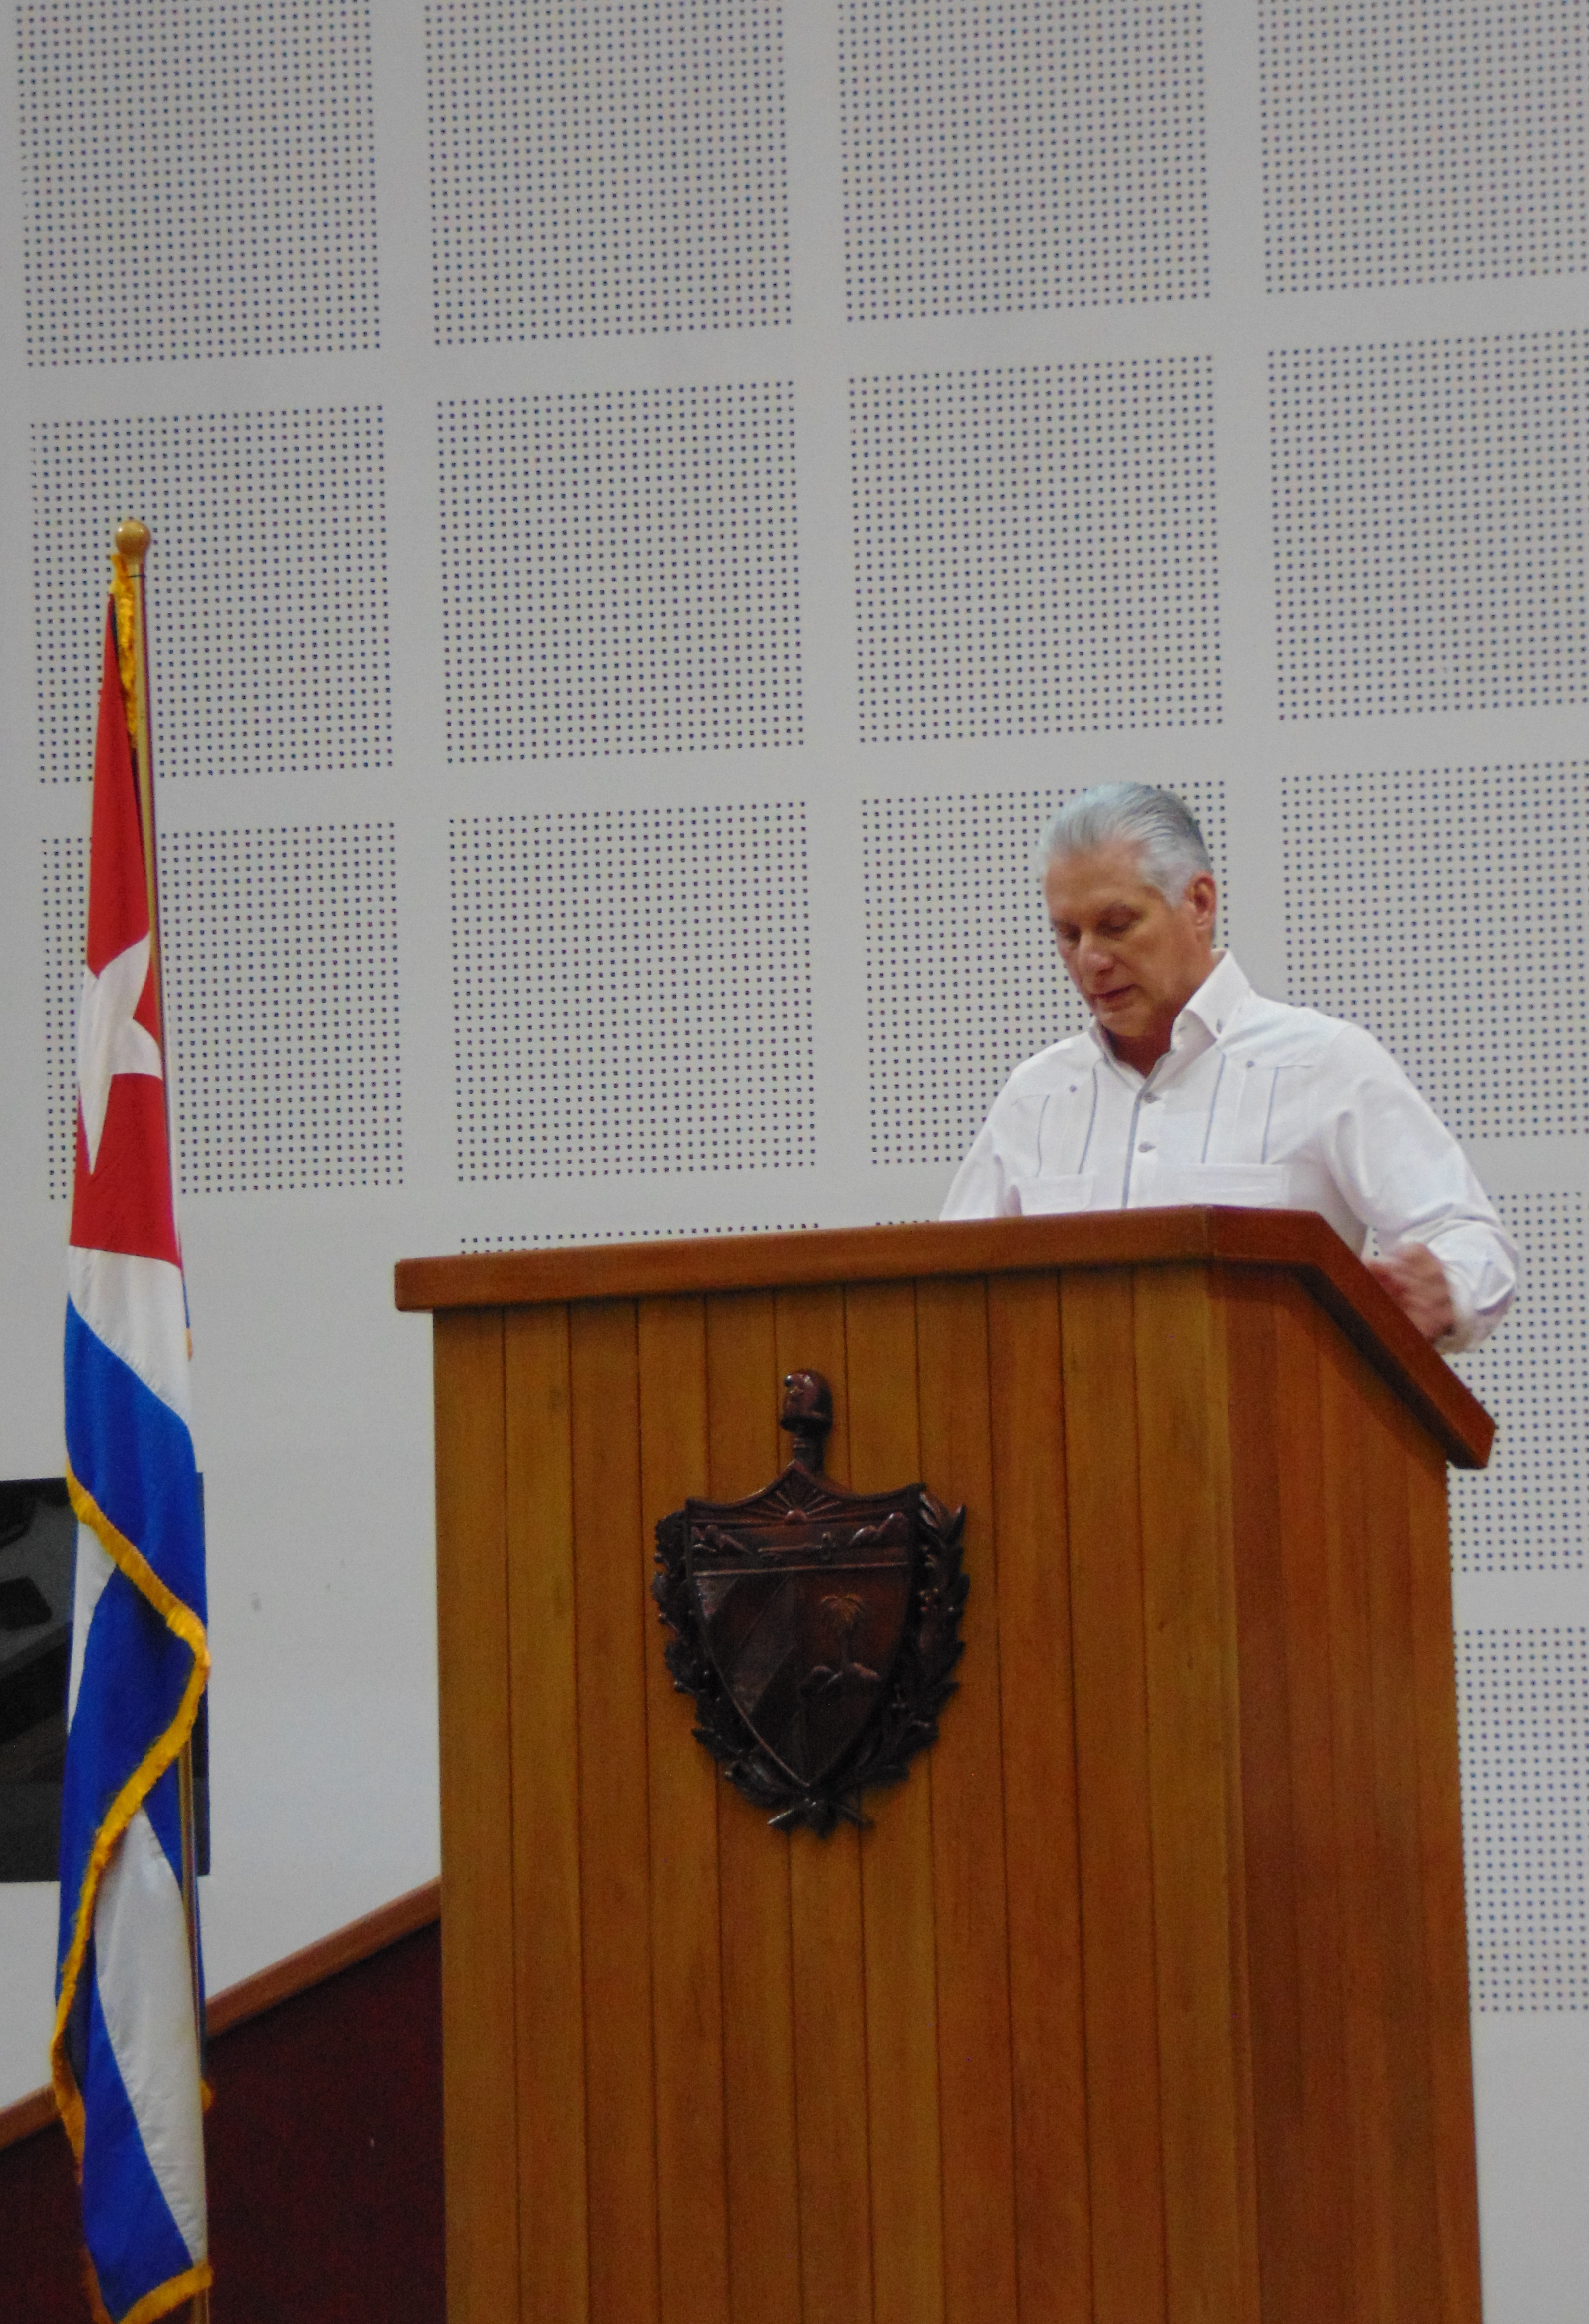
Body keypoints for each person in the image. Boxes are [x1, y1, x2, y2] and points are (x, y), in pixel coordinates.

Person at [941, 783, 1516, 1350]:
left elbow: (1468, 1239)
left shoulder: (1321, 1064)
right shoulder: (1033, 1099)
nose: (1089, 960)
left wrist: (1445, 1287)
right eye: (1067, 935)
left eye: (1116, 926)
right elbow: (944, 1294)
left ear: (1198, 903)